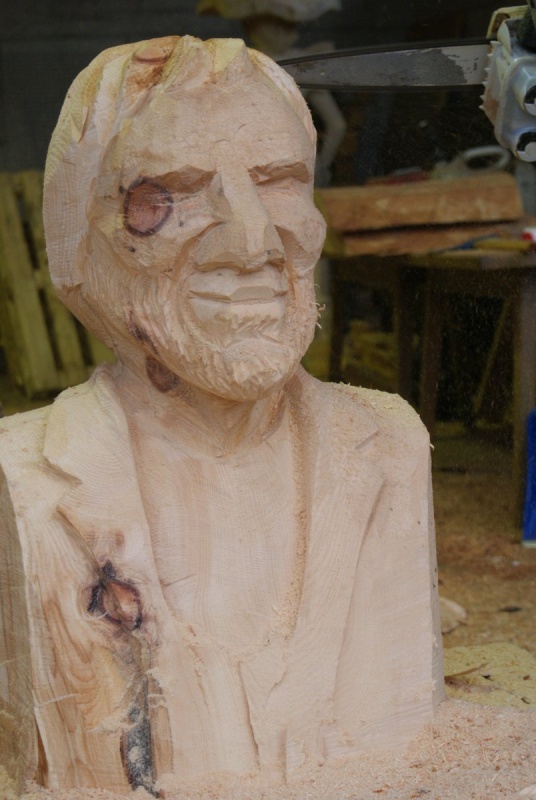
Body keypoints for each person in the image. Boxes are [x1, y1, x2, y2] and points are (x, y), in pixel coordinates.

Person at [0, 35, 442, 797]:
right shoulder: (23, 482)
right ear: (80, 239)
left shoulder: (390, 443)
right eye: (175, 192)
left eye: (277, 182)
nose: (252, 241)